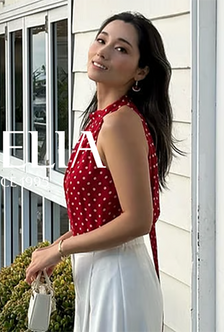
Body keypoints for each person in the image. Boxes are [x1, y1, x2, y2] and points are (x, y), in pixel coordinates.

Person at [25, 11, 182, 332]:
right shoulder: (101, 121)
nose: (104, 51)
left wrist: (60, 249)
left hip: (118, 278)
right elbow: (101, 217)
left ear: (141, 71)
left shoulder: (120, 121)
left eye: (121, 48)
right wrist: (54, 250)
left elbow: (139, 220)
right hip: (99, 271)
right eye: (101, 40)